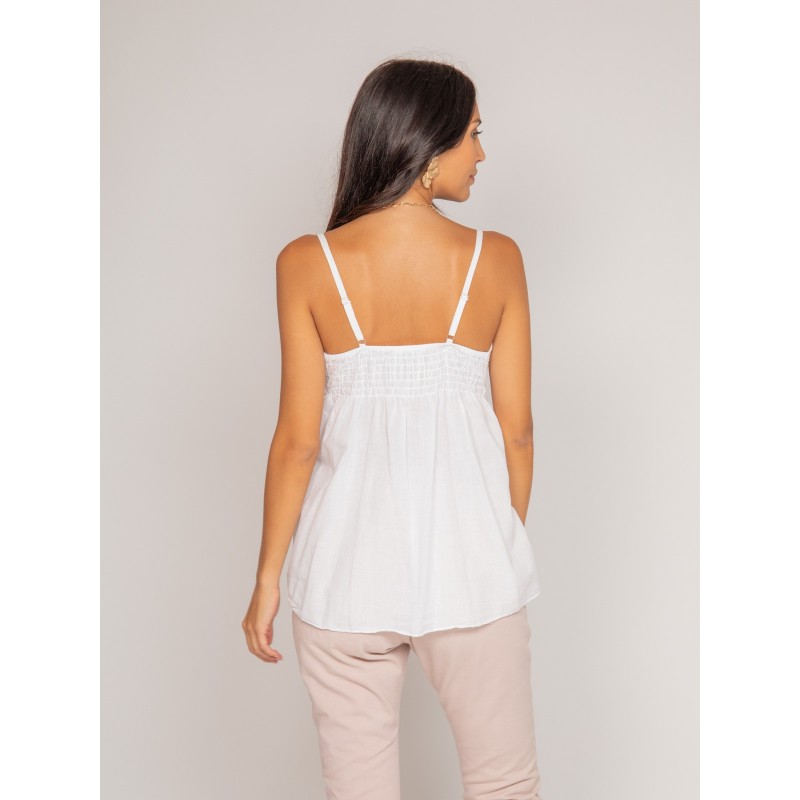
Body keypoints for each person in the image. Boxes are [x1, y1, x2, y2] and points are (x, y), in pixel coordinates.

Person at [242, 57, 544, 800]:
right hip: (471, 571)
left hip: (342, 573)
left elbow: (297, 440)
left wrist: (268, 578)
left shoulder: (305, 263)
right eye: (474, 134)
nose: (483, 154)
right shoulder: (497, 259)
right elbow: (518, 431)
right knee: (505, 785)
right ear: (429, 145)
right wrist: (494, 542)